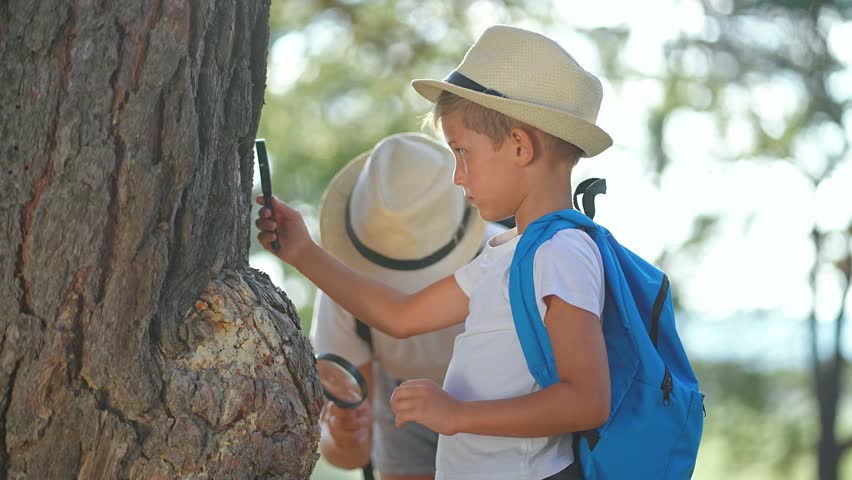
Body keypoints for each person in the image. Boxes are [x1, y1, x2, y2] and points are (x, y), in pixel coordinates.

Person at [256, 25, 613, 480]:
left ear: (520, 147)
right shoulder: (508, 255)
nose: (458, 177)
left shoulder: (562, 252)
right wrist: (302, 251)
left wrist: (457, 415)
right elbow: (401, 316)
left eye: (463, 153)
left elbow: (586, 400)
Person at [310, 133, 506, 480]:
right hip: (403, 404)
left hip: (504, 405)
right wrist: (345, 433)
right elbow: (346, 452)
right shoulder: (343, 294)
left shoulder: (506, 264)